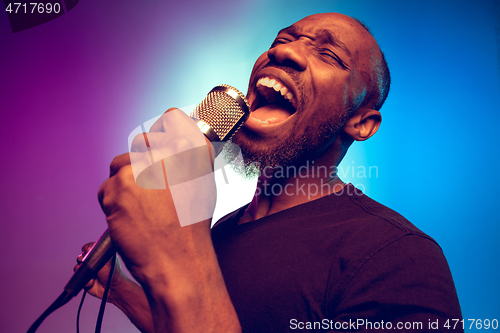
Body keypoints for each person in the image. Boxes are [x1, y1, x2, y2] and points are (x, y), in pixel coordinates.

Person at [76, 13, 463, 332]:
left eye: (329, 55)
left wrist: (182, 255)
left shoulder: (398, 256)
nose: (285, 52)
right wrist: (121, 291)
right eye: (282, 40)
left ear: (361, 123)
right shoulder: (224, 231)